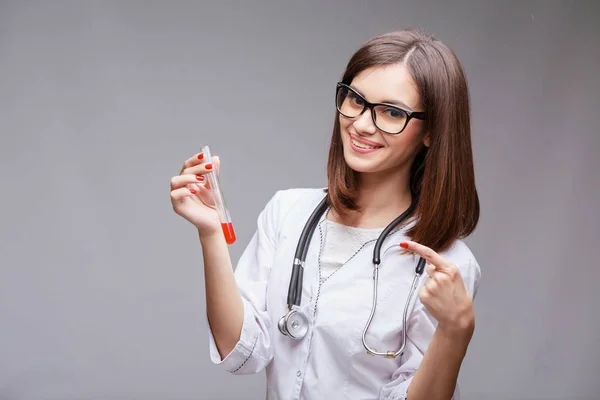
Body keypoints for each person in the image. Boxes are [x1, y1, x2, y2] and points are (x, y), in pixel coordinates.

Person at [170, 28, 482, 400]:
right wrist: (210, 233)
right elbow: (242, 350)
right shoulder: (288, 213)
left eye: (392, 112)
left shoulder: (444, 265)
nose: (363, 124)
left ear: (431, 131)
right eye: (356, 100)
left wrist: (454, 333)